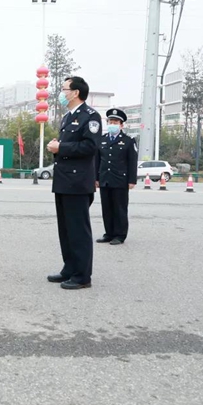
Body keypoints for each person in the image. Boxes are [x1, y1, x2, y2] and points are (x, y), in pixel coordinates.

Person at [46, 76, 101, 290]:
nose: (61, 93)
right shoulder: (68, 117)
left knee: (78, 230)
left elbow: (90, 147)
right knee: (66, 229)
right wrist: (57, 146)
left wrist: (62, 148)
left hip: (78, 181)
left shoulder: (90, 117)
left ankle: (82, 275)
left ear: (75, 92)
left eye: (64, 89)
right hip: (64, 180)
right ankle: (69, 268)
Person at [95, 108, 138, 245]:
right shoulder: (101, 140)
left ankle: (120, 235)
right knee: (106, 208)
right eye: (110, 121)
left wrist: (132, 180)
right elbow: (97, 161)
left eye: (115, 122)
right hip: (105, 179)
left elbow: (132, 162)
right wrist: (96, 178)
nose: (112, 124)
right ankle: (109, 233)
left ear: (121, 125)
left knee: (119, 208)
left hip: (120, 180)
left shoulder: (128, 141)